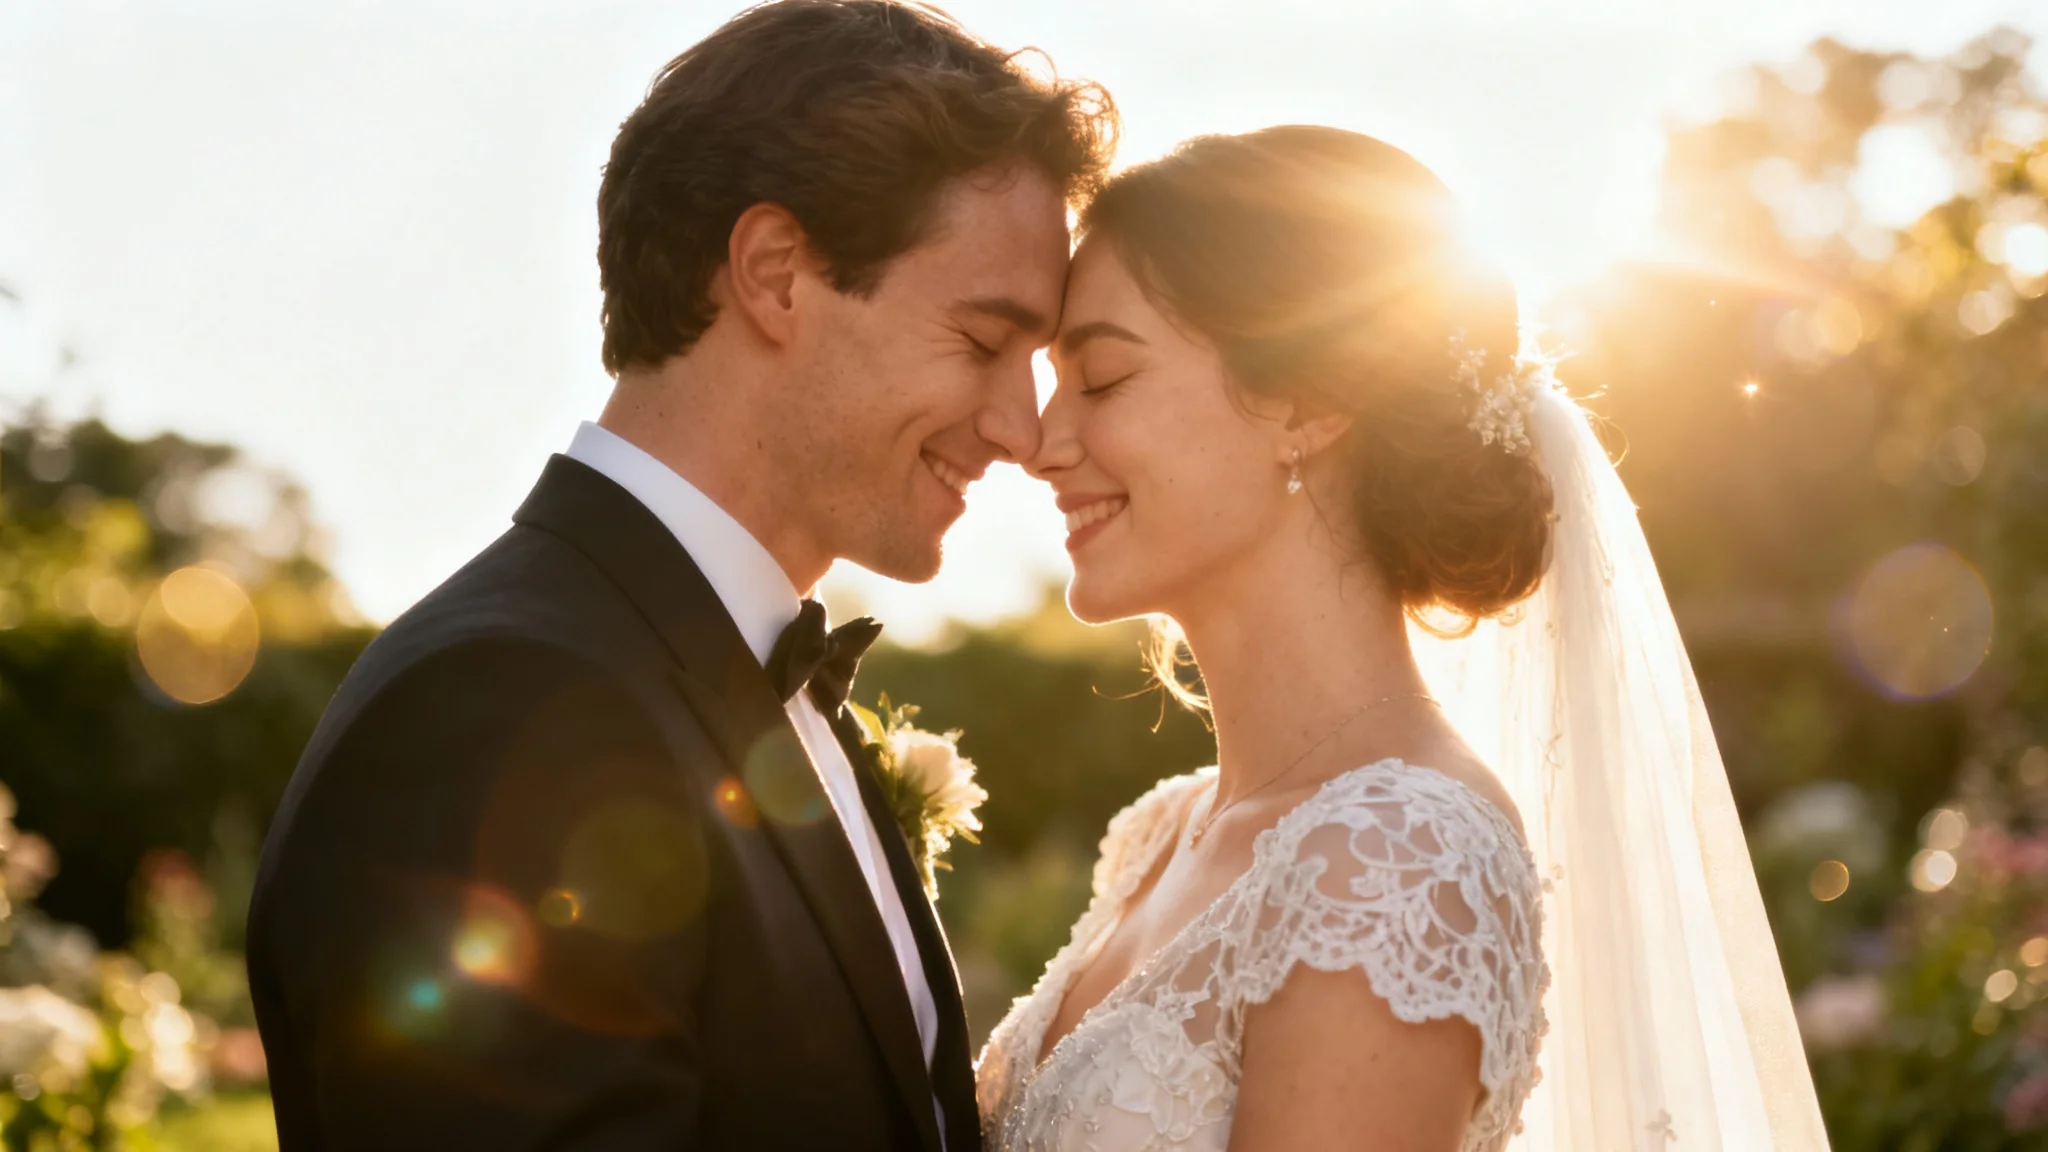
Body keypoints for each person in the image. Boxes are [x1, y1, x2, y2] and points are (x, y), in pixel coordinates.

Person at [245, 3, 1113, 1148]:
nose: (1018, 428)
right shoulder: (504, 708)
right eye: (980, 342)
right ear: (774, 274)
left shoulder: (737, 685)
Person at [976, 126, 1830, 1151]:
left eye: (1102, 378)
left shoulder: (1396, 855)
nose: (1037, 440)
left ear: (1308, 401)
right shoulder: (1163, 836)